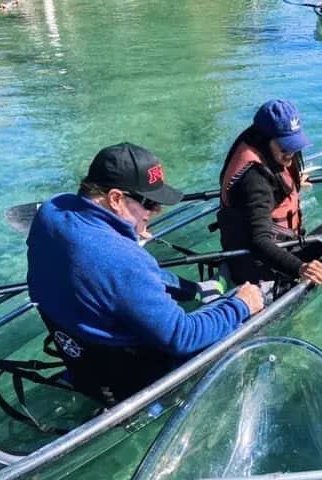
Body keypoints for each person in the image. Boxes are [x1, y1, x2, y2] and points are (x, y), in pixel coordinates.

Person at [27, 142, 264, 405]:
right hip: (132, 376)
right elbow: (181, 336)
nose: (157, 211)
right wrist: (240, 304)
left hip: (81, 356)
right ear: (116, 198)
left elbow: (116, 272)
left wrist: (191, 289)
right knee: (243, 316)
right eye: (149, 203)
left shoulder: (51, 210)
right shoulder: (123, 260)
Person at [217, 99, 322, 291]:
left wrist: (292, 184)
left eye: (295, 145)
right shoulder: (254, 179)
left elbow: (270, 188)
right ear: (264, 139)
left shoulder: (260, 149)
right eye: (285, 147)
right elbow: (258, 241)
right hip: (261, 263)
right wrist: (300, 268)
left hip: (285, 242)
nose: (291, 154)